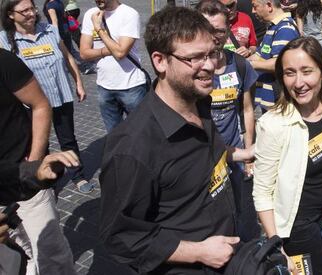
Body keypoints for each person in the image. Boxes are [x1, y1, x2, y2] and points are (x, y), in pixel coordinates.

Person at [99, 6, 254, 274]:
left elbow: (206, 154)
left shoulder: (200, 101)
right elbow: (121, 238)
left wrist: (242, 153)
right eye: (195, 58)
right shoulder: (132, 148)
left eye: (212, 53)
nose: (211, 66)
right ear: (160, 61)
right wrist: (199, 252)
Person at [253, 37, 322, 275]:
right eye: (289, 73)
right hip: (295, 228)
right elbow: (262, 192)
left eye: (307, 71)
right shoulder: (273, 124)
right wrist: (276, 244)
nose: (298, 82)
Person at [0, 0, 94, 194]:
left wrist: (78, 82)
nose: (31, 13)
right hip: (30, 106)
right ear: (10, 14)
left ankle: (78, 175)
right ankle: (43, 179)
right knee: (39, 143)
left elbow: (67, 55)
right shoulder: (4, 40)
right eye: (24, 10)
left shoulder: (50, 30)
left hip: (60, 95)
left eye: (32, 8)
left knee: (68, 140)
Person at [0, 47, 77, 274]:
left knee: (51, 255)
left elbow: (41, 104)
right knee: (13, 259)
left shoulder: (3, 60)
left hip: (24, 175)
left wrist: (34, 166)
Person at [196, 0, 259, 242]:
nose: (214, 37)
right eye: (207, 29)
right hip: (201, 158)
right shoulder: (191, 69)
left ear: (228, 29)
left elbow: (247, 110)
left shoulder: (239, 64)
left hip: (234, 156)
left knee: (236, 210)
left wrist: (248, 151)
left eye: (219, 31)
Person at [80, 0, 148, 132]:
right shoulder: (91, 14)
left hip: (131, 86)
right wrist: (107, 50)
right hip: (104, 87)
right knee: (114, 137)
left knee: (141, 133)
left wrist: (99, 29)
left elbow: (120, 52)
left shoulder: (129, 14)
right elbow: (84, 53)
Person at [248, 0, 299, 113]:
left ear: (269, 6)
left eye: (255, 6)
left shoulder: (285, 29)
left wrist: (248, 65)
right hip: (269, 100)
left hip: (278, 101)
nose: (252, 11)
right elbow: (258, 55)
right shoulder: (273, 27)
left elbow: (279, 64)